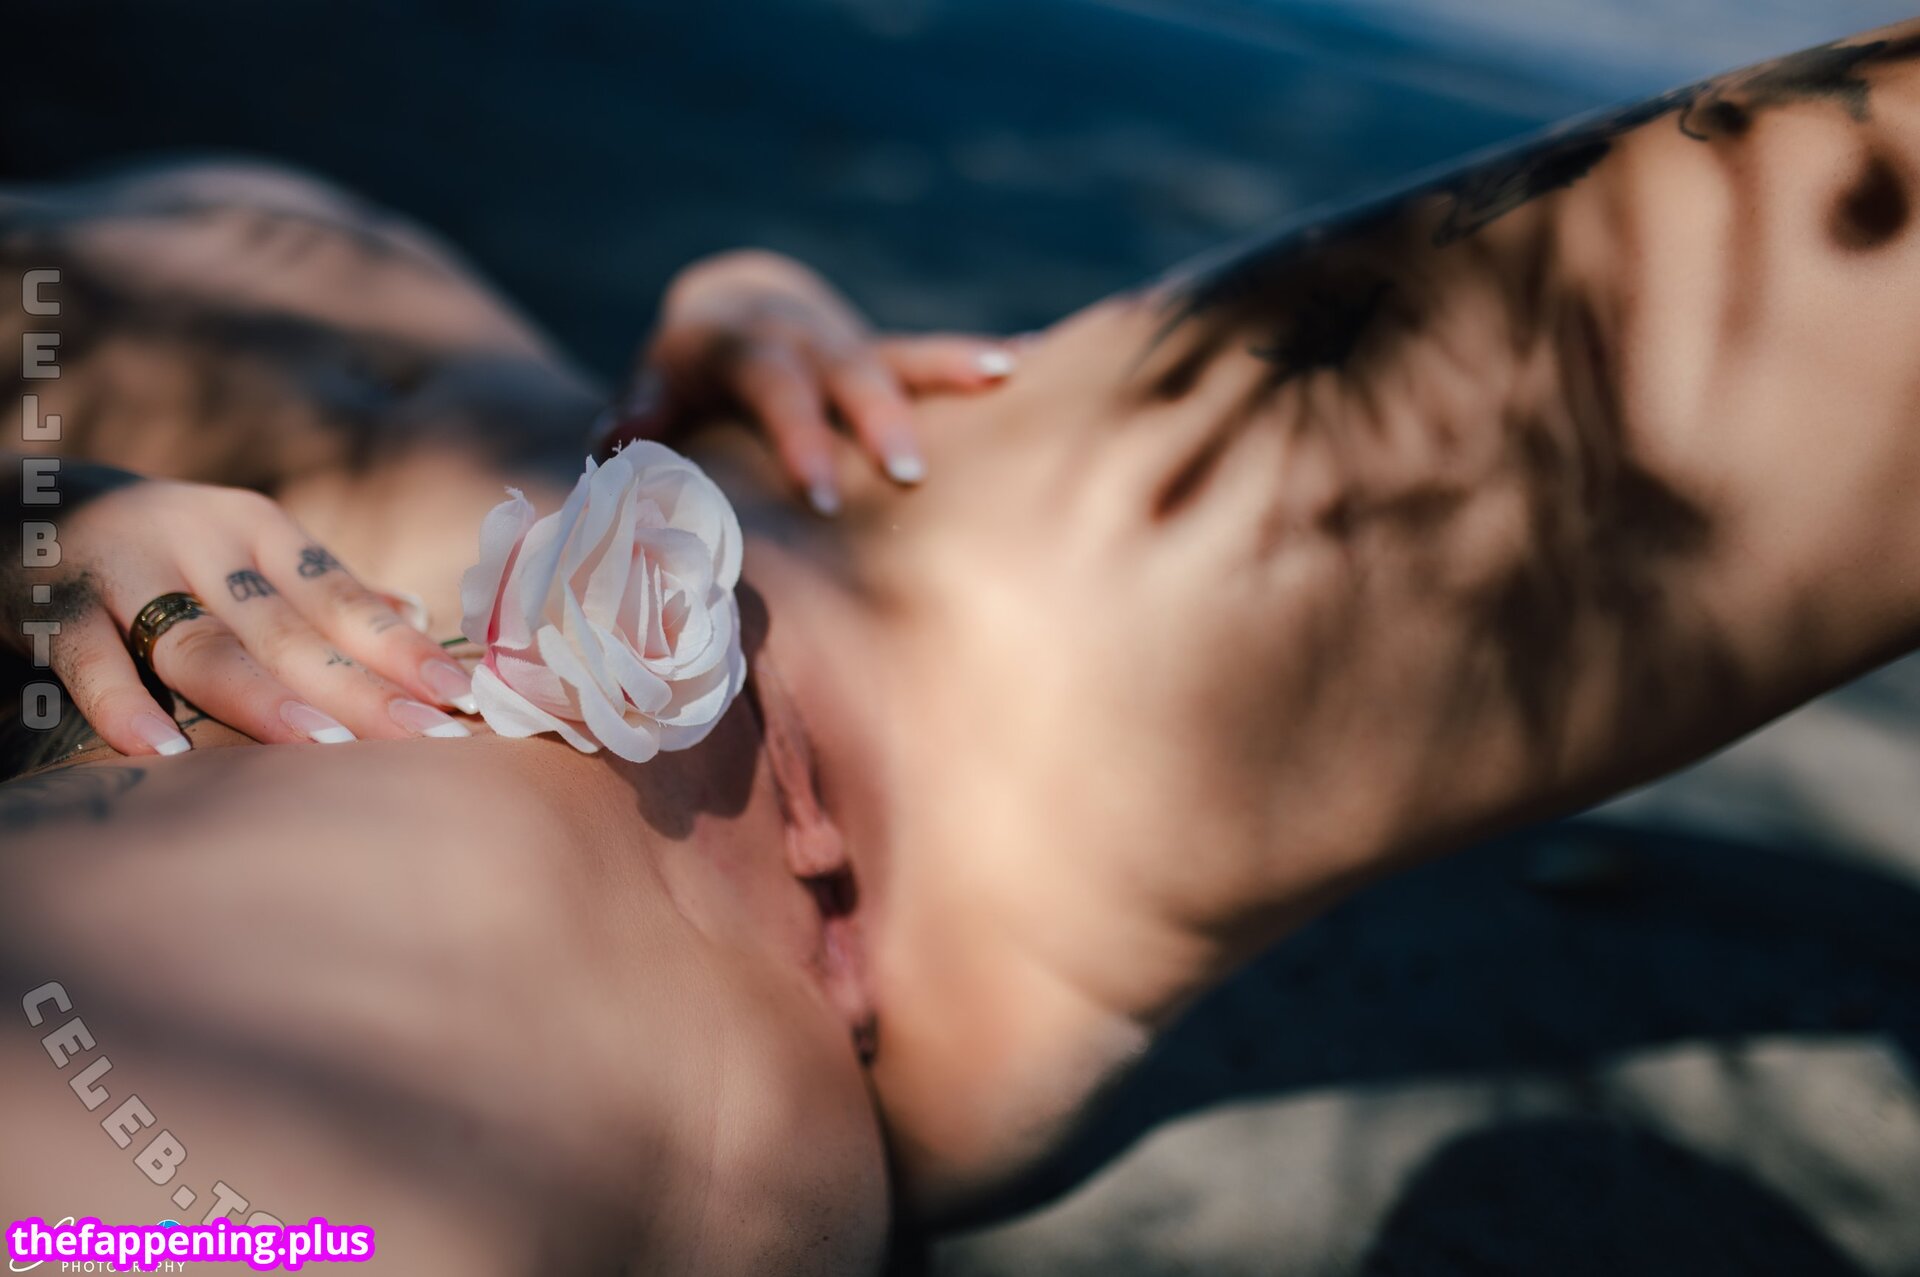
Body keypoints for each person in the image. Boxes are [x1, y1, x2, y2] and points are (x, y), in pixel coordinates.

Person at [7, 14, 1920, 1270]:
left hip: (926, 643)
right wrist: (56, 517)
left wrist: (717, 334)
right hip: (494, 778)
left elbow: (448, 420)